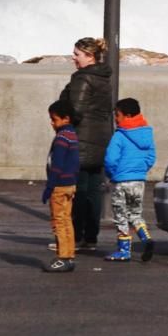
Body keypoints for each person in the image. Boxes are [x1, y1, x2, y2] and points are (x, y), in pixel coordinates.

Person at [58, 37, 113, 251]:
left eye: (77, 54)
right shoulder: (103, 78)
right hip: (101, 139)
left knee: (78, 191)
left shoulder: (83, 78)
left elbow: (76, 111)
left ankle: (75, 236)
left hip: (81, 140)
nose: (73, 58)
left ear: (89, 56)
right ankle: (91, 238)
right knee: (94, 191)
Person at [103, 97, 157, 262]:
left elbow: (110, 159)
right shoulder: (146, 134)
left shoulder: (119, 136)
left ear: (126, 115)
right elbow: (151, 157)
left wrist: (112, 174)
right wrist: (140, 170)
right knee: (135, 213)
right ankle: (146, 238)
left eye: (117, 115)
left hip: (121, 181)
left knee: (120, 215)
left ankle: (124, 250)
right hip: (139, 181)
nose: (116, 119)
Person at [43, 99, 79, 273]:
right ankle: (69, 255)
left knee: (58, 222)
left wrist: (50, 187)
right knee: (67, 220)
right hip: (70, 184)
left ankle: (62, 256)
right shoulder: (72, 135)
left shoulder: (61, 138)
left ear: (66, 119)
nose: (52, 123)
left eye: (54, 119)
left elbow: (57, 165)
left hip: (59, 185)